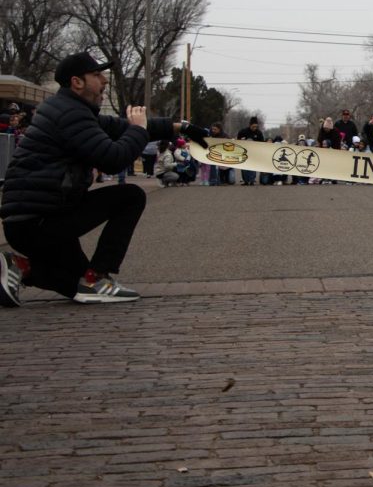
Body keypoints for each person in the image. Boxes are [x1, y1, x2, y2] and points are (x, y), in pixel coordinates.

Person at [0, 52, 207, 306]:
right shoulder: (71, 115)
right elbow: (114, 159)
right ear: (77, 82)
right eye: (97, 75)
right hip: (39, 221)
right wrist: (139, 130)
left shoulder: (70, 109)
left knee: (77, 284)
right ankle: (98, 275)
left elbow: (121, 126)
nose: (104, 81)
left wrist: (182, 127)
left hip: (35, 219)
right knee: (130, 196)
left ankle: (19, 267)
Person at [236, 116, 266, 185]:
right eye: (253, 126)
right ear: (250, 125)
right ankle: (245, 180)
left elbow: (262, 143)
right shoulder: (243, 131)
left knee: (253, 166)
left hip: (254, 153)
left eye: (256, 127)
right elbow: (238, 141)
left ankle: (252, 180)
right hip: (244, 152)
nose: (254, 128)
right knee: (244, 166)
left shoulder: (259, 133)